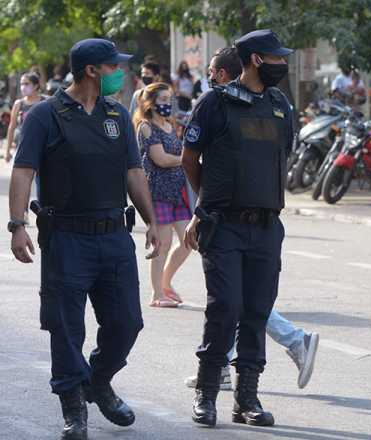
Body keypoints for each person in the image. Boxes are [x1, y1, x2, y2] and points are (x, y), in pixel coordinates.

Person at [8, 38, 161, 440]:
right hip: (66, 240)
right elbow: (24, 171)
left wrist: (153, 222)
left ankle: (98, 379)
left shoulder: (115, 114)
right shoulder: (46, 115)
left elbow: (134, 172)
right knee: (65, 327)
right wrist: (17, 223)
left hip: (113, 237)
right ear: (92, 71)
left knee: (127, 322)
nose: (121, 73)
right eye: (115, 67)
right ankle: (74, 407)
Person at [181, 44, 320, 394]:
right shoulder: (215, 102)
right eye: (277, 57)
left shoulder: (278, 105)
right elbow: (189, 158)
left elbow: (279, 155)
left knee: (256, 313)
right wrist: (207, 203)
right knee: (225, 308)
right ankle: (208, 392)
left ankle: (247, 398)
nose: (283, 63)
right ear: (257, 60)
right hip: (223, 222)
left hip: (266, 225)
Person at [134, 82, 192, 308]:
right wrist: (187, 160)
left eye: (170, 99)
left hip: (177, 191)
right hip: (157, 191)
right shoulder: (146, 127)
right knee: (163, 243)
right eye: (163, 100)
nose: (168, 104)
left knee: (188, 239)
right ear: (151, 103)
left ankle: (166, 283)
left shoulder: (170, 124)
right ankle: (157, 294)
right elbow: (160, 159)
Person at [4, 72, 47, 162]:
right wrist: (7, 151)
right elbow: (11, 128)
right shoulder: (18, 104)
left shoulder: (46, 101)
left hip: (44, 147)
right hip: (23, 147)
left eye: (26, 84)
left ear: (35, 86)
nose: (23, 87)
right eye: (22, 84)